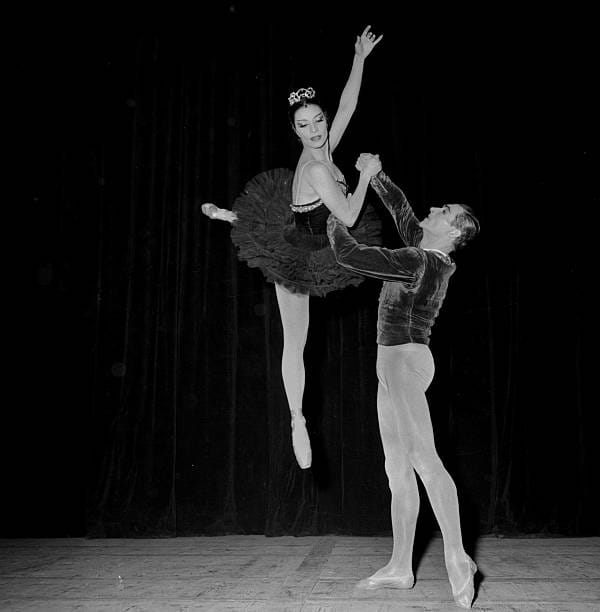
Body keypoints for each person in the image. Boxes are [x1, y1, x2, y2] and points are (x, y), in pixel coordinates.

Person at [201, 27, 383, 469]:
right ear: (294, 130)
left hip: (309, 228)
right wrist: (365, 175)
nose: (317, 130)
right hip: (300, 253)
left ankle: (231, 216)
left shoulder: (323, 146)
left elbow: (348, 105)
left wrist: (359, 57)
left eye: (318, 120)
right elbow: (352, 216)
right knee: (294, 342)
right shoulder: (318, 170)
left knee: (280, 219)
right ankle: (296, 418)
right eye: (305, 126)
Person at [327, 153, 480, 609]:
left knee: (423, 458)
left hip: (403, 361)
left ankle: (457, 556)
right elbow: (405, 215)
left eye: (444, 212)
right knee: (398, 468)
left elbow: (349, 255)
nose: (433, 210)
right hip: (396, 362)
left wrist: (337, 215)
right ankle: (399, 566)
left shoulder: (417, 260)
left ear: (454, 232)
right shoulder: (433, 255)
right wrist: (376, 177)